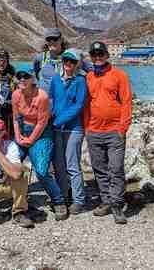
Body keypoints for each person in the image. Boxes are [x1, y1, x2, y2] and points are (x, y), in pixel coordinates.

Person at [85, 41, 133, 225]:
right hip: (94, 131)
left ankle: (117, 204)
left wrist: (123, 128)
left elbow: (127, 101)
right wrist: (86, 126)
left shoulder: (120, 75)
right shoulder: (89, 77)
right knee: (99, 169)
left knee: (116, 168)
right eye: (94, 55)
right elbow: (85, 104)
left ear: (107, 55)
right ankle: (106, 200)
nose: (97, 57)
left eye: (100, 54)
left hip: (114, 131)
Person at [12, 70, 68, 220]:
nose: (22, 79)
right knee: (10, 162)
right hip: (23, 131)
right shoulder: (16, 94)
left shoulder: (42, 96)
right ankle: (16, 200)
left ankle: (58, 201)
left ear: (33, 79)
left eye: (26, 77)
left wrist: (30, 140)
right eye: (19, 76)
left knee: (42, 171)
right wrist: (17, 136)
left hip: (42, 133)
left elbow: (42, 122)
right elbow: (16, 118)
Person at [49, 50, 89, 215]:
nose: (68, 64)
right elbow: (51, 99)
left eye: (72, 62)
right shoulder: (55, 80)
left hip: (74, 128)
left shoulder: (80, 81)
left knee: (72, 164)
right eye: (66, 61)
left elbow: (78, 105)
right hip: (57, 129)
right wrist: (49, 116)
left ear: (76, 64)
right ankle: (64, 197)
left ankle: (78, 199)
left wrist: (59, 120)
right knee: (59, 165)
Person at [32, 27, 68, 93]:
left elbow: (89, 69)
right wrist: (38, 84)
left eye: (55, 39)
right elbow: (34, 72)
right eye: (49, 39)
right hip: (44, 99)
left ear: (61, 40)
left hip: (62, 99)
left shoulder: (69, 57)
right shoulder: (40, 58)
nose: (52, 42)